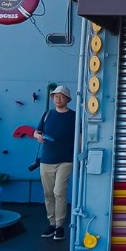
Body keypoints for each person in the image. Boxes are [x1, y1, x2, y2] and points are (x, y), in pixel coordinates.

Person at [33, 84, 76, 241]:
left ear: (67, 99)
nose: (57, 98)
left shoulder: (74, 116)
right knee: (48, 193)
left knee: (59, 192)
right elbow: (36, 132)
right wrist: (38, 137)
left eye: (61, 96)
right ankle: (51, 223)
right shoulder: (47, 115)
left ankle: (59, 226)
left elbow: (80, 136)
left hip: (65, 160)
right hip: (46, 160)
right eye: (55, 96)